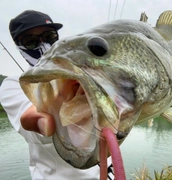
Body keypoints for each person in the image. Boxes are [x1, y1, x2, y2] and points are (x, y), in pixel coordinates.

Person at [0, 10, 114, 180]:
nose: (43, 44)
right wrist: (41, 118)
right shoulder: (13, 84)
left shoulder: (88, 71)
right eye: (31, 42)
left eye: (49, 36)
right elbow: (32, 116)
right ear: (19, 47)